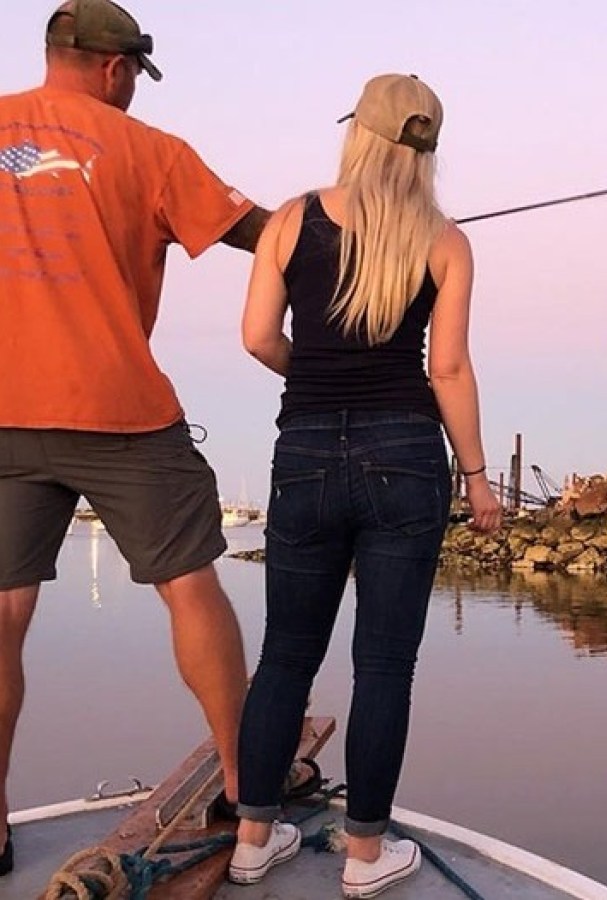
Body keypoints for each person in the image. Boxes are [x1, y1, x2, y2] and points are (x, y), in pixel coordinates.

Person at [0, 0, 272, 877]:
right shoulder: (150, 149)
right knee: (191, 587)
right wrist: (342, 233)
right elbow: (259, 236)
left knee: (2, 614)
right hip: (118, 406)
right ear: (118, 69)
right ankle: (242, 784)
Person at [229, 74, 503, 896]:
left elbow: (255, 338)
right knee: (385, 665)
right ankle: (365, 856)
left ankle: (252, 837)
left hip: (304, 450)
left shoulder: (289, 220)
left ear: (359, 131)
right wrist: (480, 480)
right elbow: (446, 367)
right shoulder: (446, 242)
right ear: (428, 149)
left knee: (284, 657)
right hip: (406, 453)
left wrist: (308, 372)